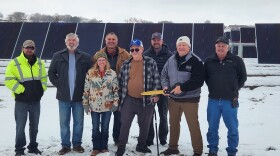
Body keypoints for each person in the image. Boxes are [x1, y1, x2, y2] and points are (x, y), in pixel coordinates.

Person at [48, 33, 92, 155]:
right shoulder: (58, 56)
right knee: (64, 123)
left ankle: (77, 144)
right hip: (63, 97)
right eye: (69, 40)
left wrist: (87, 90)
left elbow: (91, 75)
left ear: (77, 42)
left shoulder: (85, 57)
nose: (71, 42)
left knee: (79, 122)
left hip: (79, 96)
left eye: (74, 40)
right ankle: (65, 145)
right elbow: (51, 73)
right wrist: (60, 85)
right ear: (66, 42)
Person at [115, 39, 161, 156]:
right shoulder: (125, 64)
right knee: (125, 123)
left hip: (146, 99)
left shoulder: (151, 62)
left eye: (137, 49)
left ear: (142, 49)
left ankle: (141, 145)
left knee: (144, 124)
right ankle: (121, 146)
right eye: (132, 49)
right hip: (129, 98)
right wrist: (119, 98)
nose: (134, 51)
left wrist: (155, 94)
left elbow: (156, 80)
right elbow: (120, 82)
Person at [160, 36, 204, 156]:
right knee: (173, 123)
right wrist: (165, 86)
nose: (181, 47)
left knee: (193, 125)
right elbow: (164, 75)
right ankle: (173, 147)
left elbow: (198, 80)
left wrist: (182, 88)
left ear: (189, 46)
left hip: (190, 100)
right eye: (179, 45)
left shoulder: (196, 60)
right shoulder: (171, 60)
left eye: (184, 45)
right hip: (173, 99)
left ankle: (197, 151)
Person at [204, 36, 247, 156]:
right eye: (218, 46)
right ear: (215, 47)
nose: (221, 48)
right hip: (213, 100)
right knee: (212, 128)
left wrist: (234, 89)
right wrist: (214, 88)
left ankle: (232, 151)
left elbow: (243, 77)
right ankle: (213, 149)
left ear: (228, 47)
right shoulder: (209, 61)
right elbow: (207, 78)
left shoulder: (236, 60)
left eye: (223, 46)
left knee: (232, 128)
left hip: (230, 100)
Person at [4, 40, 47, 156]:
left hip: (35, 101)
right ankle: (19, 149)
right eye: (27, 47)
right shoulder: (15, 62)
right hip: (21, 101)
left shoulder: (39, 62)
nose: (29, 49)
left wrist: (41, 90)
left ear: (34, 49)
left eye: (31, 48)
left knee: (34, 126)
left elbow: (44, 79)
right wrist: (22, 90)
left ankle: (33, 147)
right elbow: (8, 80)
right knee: (20, 127)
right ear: (22, 48)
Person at [93, 32, 130, 145]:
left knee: (119, 117)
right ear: (105, 41)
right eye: (109, 39)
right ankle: (102, 141)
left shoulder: (125, 54)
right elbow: (93, 72)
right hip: (103, 93)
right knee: (104, 118)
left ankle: (117, 139)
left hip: (120, 91)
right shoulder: (98, 54)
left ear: (117, 41)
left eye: (113, 39)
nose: (111, 41)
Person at [82, 52, 119, 156]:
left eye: (103, 60)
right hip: (94, 105)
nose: (101, 62)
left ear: (106, 61)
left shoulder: (112, 73)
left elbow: (116, 89)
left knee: (105, 126)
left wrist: (115, 103)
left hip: (107, 105)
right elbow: (86, 89)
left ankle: (104, 146)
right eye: (99, 60)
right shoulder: (90, 72)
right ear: (96, 62)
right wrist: (85, 103)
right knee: (95, 127)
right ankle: (96, 147)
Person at [143, 32, 173, 146]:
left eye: (158, 39)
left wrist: (168, 86)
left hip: (164, 91)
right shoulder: (145, 54)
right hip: (150, 90)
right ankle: (149, 139)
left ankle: (163, 138)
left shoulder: (169, 55)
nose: (156, 41)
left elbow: (172, 72)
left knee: (163, 115)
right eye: (154, 39)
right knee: (149, 116)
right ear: (151, 41)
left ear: (162, 41)